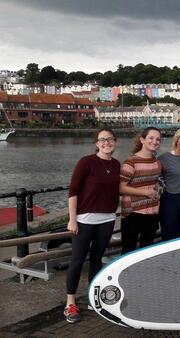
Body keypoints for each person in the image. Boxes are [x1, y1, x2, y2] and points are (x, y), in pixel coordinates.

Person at [64, 129, 120, 323]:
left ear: (115, 142)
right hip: (84, 220)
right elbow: (73, 192)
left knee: (97, 258)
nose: (107, 143)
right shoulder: (86, 162)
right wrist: (72, 219)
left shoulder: (116, 164)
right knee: (78, 260)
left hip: (107, 219)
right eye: (102, 140)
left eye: (110, 139)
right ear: (97, 143)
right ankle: (70, 302)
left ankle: (92, 297)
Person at [119, 127, 162, 254]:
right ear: (142, 140)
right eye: (151, 138)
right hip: (133, 213)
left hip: (152, 212)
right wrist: (145, 193)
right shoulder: (131, 162)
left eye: (158, 139)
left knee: (146, 251)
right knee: (128, 251)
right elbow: (120, 187)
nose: (155, 141)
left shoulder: (157, 162)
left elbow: (156, 182)